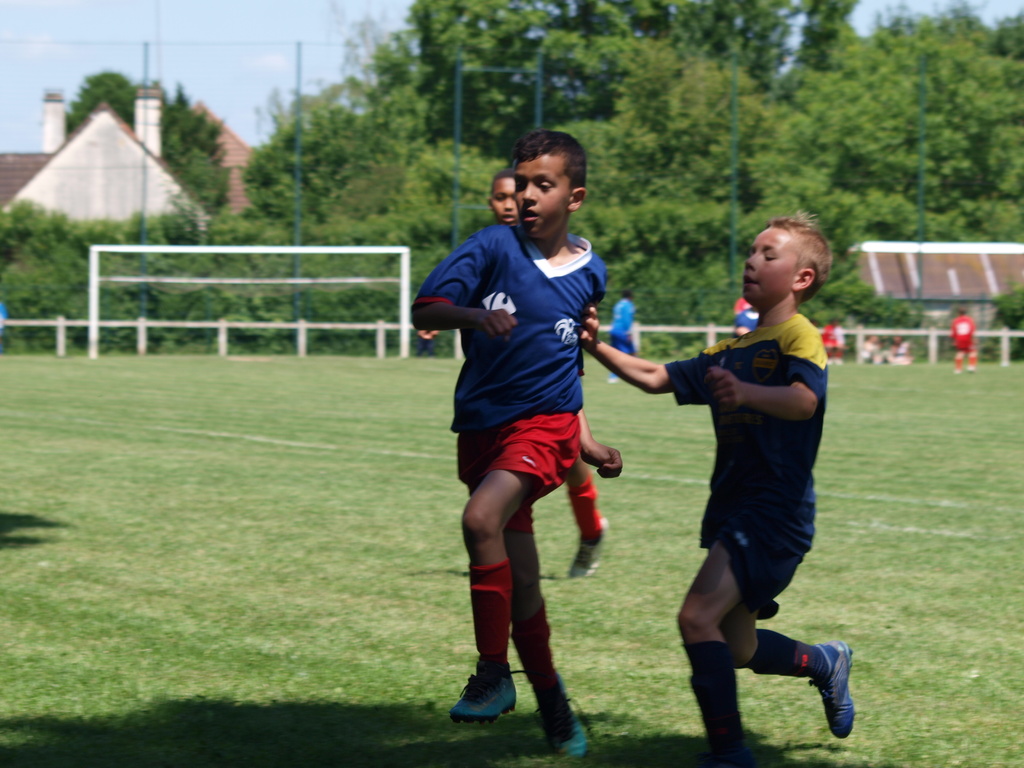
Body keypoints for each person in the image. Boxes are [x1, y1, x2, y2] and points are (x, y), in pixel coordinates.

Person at [579, 213, 854, 768]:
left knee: (696, 618)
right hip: (734, 510)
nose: (752, 261)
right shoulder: (728, 350)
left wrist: (747, 393)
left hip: (773, 512)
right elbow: (656, 377)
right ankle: (825, 662)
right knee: (738, 645)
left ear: (801, 278)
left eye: (768, 254)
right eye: (751, 251)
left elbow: (805, 401)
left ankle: (730, 753)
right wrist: (596, 345)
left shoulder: (799, 335)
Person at [413, 129, 622, 758]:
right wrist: (474, 315)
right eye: (521, 183)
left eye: (542, 185)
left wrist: (583, 438)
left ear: (574, 197)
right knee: (524, 584)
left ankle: (491, 674)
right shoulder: (491, 246)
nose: (526, 195)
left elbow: (568, 365)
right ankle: (555, 707)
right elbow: (425, 308)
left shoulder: (591, 272)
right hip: (484, 429)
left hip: (543, 429)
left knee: (480, 519)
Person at [488, 167, 610, 578]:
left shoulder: (560, 254)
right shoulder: (488, 251)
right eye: (502, 196)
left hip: (551, 380)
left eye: (517, 193)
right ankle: (522, 563)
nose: (512, 203)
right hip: (501, 387)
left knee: (568, 458)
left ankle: (590, 534)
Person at [606, 290, 636, 382]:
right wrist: (629, 332)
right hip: (622, 331)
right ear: (631, 297)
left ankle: (613, 376)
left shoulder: (618, 304)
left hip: (614, 329)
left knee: (618, 353)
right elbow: (627, 319)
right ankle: (635, 375)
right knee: (627, 353)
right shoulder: (628, 305)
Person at [951, 306, 977, 374]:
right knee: (972, 352)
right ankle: (971, 366)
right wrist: (973, 338)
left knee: (960, 352)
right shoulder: (969, 319)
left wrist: (954, 340)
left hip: (959, 338)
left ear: (958, 313)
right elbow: (972, 329)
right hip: (968, 338)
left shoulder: (956, 320)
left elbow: (954, 331)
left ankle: (958, 369)